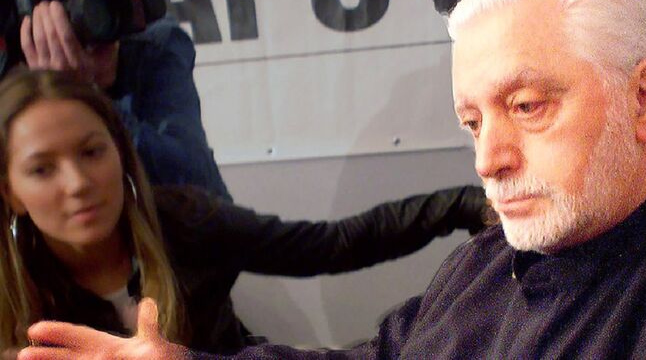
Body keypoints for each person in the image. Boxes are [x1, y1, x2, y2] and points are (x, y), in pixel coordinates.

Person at [20, 0, 646, 360]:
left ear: (644, 101)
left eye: (527, 106)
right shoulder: (489, 260)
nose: (488, 160)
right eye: (472, 122)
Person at [0, 69, 487, 355]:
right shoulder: (11, 292)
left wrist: (465, 205)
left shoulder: (188, 221)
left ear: (121, 154)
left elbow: (331, 244)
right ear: (11, 192)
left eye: (91, 152)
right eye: (42, 169)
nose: (78, 183)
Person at [0, 0, 232, 200]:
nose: (89, 16)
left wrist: (92, 96)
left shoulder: (149, 45)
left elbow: (196, 183)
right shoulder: (9, 68)